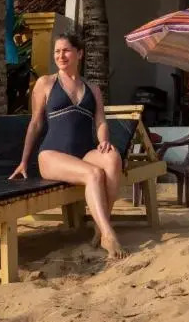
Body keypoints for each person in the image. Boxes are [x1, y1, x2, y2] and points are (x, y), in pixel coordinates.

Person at [10, 33, 126, 260]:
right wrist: (24, 161)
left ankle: (100, 226)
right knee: (94, 174)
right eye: (57, 51)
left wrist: (103, 141)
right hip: (52, 155)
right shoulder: (46, 83)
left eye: (66, 51)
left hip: (84, 154)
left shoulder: (92, 88)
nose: (60, 56)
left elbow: (100, 121)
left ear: (79, 53)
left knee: (112, 158)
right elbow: (35, 123)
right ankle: (108, 234)